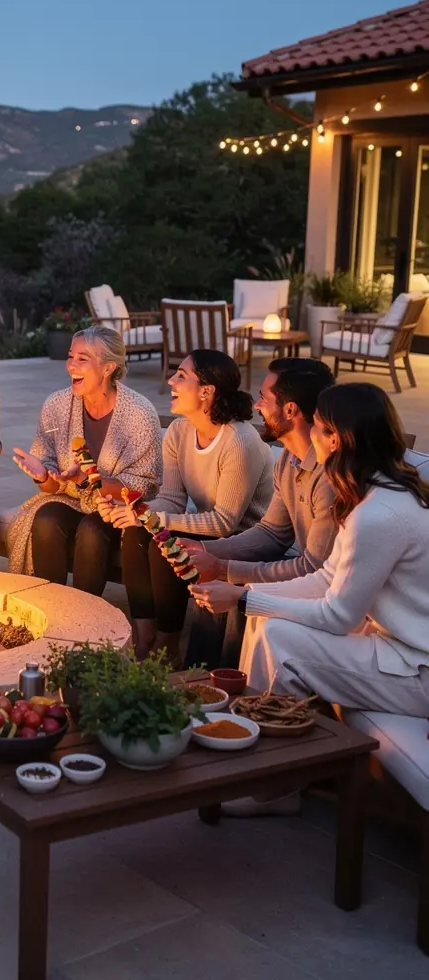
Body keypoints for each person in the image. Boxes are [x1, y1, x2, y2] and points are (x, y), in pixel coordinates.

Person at [191, 383, 429, 816]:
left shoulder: (378, 514)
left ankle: (271, 786)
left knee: (280, 635)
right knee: (269, 622)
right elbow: (327, 579)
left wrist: (244, 601)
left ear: (336, 439)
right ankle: (265, 770)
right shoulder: (380, 495)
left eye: (317, 428)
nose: (310, 435)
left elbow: (337, 616)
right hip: (400, 652)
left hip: (417, 672)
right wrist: (246, 592)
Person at [106, 349, 273, 663]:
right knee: (137, 532)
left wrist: (149, 517)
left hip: (244, 538)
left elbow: (225, 522)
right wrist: (135, 513)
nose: (171, 380)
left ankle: (168, 645)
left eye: (181, 376)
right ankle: (144, 637)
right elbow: (171, 500)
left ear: (207, 391)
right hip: (210, 528)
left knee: (162, 541)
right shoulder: (179, 432)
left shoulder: (239, 441)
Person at [177, 358, 338, 668]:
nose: (257, 404)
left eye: (265, 397)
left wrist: (225, 568)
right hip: (305, 567)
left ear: (290, 410)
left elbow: (316, 570)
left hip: (328, 589)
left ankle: (227, 685)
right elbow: (272, 533)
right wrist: (204, 551)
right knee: (214, 579)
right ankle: (197, 680)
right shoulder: (289, 458)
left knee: (239, 587)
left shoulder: (329, 475)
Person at [7, 326, 161, 595]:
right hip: (72, 500)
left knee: (92, 530)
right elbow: (53, 488)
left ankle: (85, 618)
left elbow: (145, 486)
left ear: (107, 368)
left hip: (117, 509)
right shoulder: (56, 405)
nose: (71, 366)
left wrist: (90, 480)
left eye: (82, 359)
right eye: (70, 356)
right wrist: (43, 476)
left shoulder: (139, 414)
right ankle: (48, 607)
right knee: (45, 517)